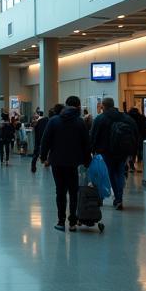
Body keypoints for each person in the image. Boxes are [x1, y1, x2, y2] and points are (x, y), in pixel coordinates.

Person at [39, 95, 91, 232]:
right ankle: (73, 222)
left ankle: (61, 222)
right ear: (78, 106)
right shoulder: (80, 122)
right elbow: (86, 143)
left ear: (65, 105)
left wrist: (43, 156)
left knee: (60, 191)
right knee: (73, 191)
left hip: (57, 161)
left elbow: (46, 140)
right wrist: (87, 160)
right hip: (73, 162)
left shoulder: (54, 121)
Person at [89, 96, 139, 211]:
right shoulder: (125, 117)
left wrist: (92, 150)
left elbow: (93, 136)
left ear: (103, 106)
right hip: (122, 151)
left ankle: (116, 198)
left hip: (106, 152)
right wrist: (133, 152)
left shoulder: (100, 119)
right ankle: (119, 197)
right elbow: (135, 134)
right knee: (120, 173)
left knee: (110, 173)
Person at [127, 106, 146, 172]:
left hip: (130, 136)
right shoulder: (142, 117)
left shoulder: (127, 118)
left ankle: (131, 164)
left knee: (131, 151)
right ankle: (140, 163)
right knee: (139, 150)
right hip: (140, 136)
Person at [30, 109, 49, 174]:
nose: (35, 115)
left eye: (35, 114)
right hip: (42, 138)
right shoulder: (46, 120)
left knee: (36, 152)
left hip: (38, 139)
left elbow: (32, 125)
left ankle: (34, 164)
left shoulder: (40, 120)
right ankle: (45, 161)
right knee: (43, 150)